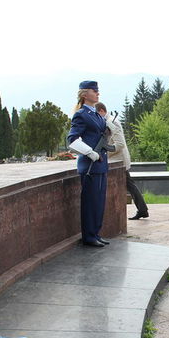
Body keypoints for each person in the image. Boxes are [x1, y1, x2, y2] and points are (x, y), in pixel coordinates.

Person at [67, 80, 109, 248]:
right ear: (85, 94)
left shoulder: (97, 115)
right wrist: (90, 153)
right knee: (90, 202)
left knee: (99, 201)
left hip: (101, 165)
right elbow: (72, 140)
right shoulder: (81, 114)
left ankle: (96, 233)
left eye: (97, 90)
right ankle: (89, 236)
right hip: (90, 165)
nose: (97, 93)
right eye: (94, 90)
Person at [95, 102, 149, 221]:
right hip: (115, 161)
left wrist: (103, 151)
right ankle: (142, 210)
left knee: (130, 185)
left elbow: (119, 144)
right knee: (130, 185)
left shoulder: (112, 122)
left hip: (118, 161)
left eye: (97, 114)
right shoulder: (107, 121)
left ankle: (142, 210)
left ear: (102, 111)